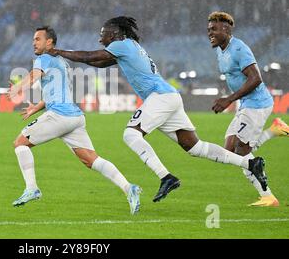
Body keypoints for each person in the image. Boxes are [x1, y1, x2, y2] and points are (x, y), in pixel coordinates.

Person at [47, 16, 269, 203]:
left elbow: (90, 56)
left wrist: (58, 51)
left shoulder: (121, 45)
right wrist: (70, 58)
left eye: (102, 34)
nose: (100, 38)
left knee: (130, 134)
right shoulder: (129, 47)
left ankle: (166, 177)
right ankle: (250, 163)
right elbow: (97, 62)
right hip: (169, 97)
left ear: (114, 34)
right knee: (195, 147)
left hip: (160, 97)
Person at [7, 26, 141, 214]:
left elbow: (32, 76)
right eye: (33, 39)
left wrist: (17, 88)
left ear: (49, 42)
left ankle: (32, 189)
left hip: (60, 116)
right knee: (91, 160)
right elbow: (57, 92)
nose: (33, 43)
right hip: (75, 118)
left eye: (37, 39)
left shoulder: (43, 59)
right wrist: (36, 108)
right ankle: (129, 188)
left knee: (20, 144)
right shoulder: (62, 62)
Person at [208, 11, 288, 207]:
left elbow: (256, 78)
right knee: (229, 151)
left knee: (240, 154)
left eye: (214, 29)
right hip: (246, 104)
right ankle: (274, 130)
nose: (210, 33)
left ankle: (268, 197)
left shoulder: (239, 49)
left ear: (226, 29)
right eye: (209, 29)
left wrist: (229, 99)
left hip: (257, 104)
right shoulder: (221, 48)